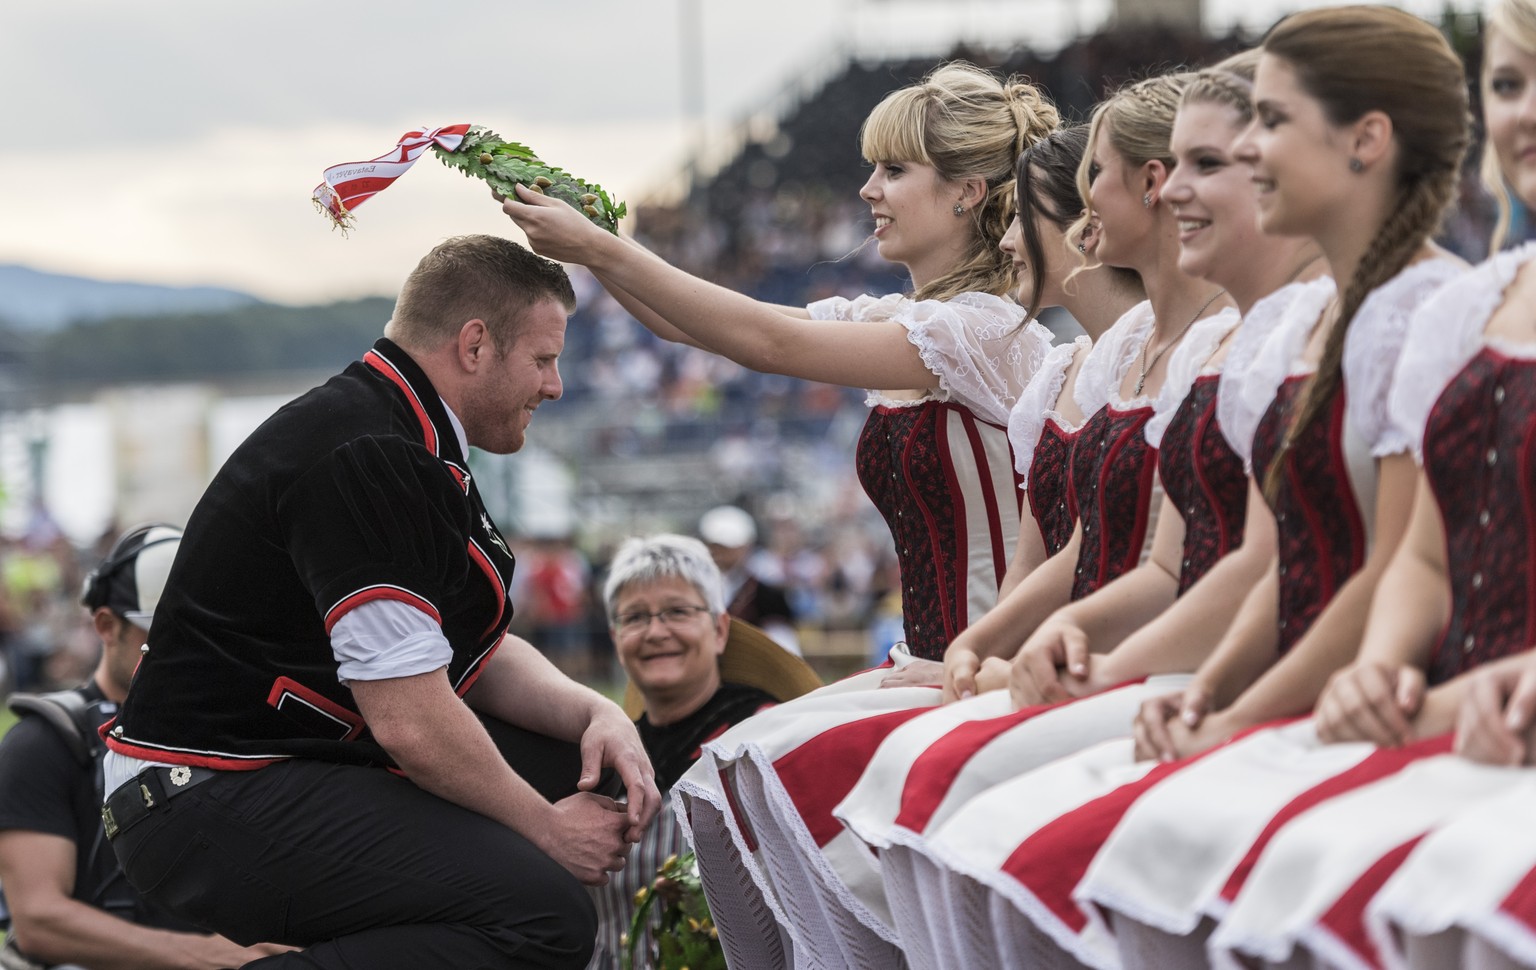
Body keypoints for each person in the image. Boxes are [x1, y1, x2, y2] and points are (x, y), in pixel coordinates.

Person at [100, 235, 659, 970]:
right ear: (474, 345)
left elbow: (473, 659)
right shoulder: (370, 451)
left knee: (577, 765)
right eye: (544, 358)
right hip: (201, 793)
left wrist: (598, 712)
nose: (554, 386)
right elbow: (412, 721)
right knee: (539, 913)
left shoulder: (397, 429)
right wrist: (548, 832)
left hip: (259, 771)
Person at [504, 62, 1061, 666]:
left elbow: (764, 343)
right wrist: (600, 243)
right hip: (931, 662)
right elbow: (690, 325)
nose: (868, 188)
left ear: (967, 191)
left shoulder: (982, 328)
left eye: (894, 170)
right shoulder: (911, 318)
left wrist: (597, 247)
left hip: (997, 664)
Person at [0, 525, 286, 970]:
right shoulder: (46, 742)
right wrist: (204, 955)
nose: (188, 655)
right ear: (106, 626)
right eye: (165, 636)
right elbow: (39, 920)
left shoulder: (235, 736)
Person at [586, 534, 821, 970]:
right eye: (635, 617)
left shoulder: (767, 742)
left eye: (677, 611)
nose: (656, 632)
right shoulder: (603, 759)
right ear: (616, 638)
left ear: (719, 628)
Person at [696, 506, 800, 655]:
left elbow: (785, 647)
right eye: (717, 546)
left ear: (747, 546)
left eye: (729, 547)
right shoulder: (695, 589)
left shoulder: (768, 596)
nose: (722, 552)